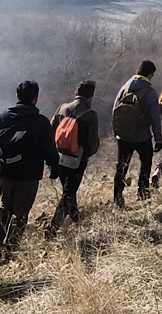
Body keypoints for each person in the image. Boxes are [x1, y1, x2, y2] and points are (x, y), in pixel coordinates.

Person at [0, 80, 59, 258]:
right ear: (36, 98)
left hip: (5, 171)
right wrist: (54, 167)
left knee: (5, 206)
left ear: (17, 96)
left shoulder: (3, 118)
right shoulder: (41, 122)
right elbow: (49, 148)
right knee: (21, 213)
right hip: (29, 175)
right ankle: (11, 249)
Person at [46, 80, 100, 237]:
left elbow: (51, 130)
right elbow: (93, 142)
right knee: (69, 193)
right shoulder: (90, 115)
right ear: (91, 96)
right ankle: (52, 229)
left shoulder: (62, 109)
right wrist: (85, 155)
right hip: (77, 159)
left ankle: (76, 218)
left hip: (60, 156)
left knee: (68, 189)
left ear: (76, 94)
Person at [112, 60, 162, 207]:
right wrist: (158, 139)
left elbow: (115, 110)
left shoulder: (125, 87)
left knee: (121, 166)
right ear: (150, 74)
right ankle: (143, 192)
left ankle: (117, 197)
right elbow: (155, 118)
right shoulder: (150, 92)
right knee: (145, 163)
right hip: (142, 137)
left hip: (123, 136)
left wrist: (117, 131)